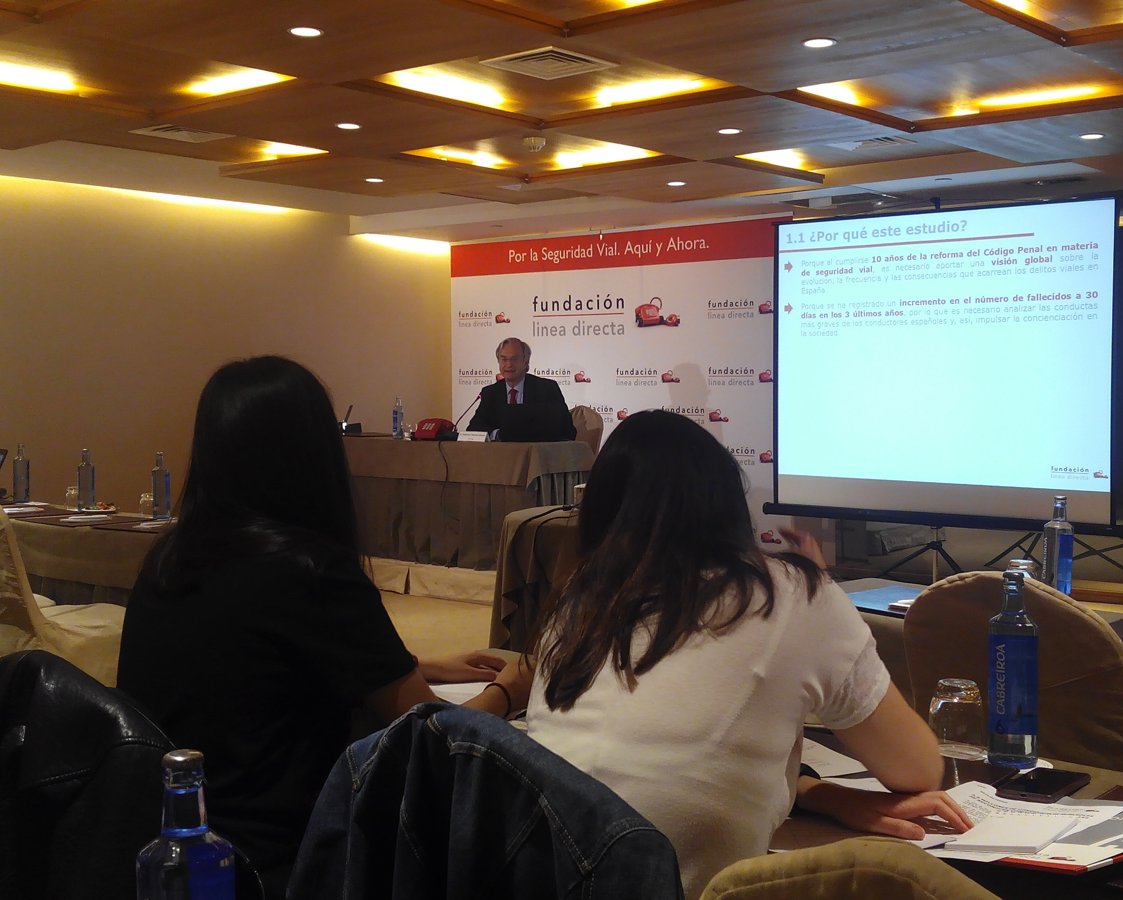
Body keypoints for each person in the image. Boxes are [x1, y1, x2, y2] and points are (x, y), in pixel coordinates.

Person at [117, 356, 532, 899]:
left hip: (170, 852)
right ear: (313, 453)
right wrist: (508, 692)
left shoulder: (168, 560)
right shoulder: (309, 570)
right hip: (283, 863)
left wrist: (419, 664)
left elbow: (253, 665)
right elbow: (429, 736)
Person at [525, 410, 970, 899]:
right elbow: (918, 769)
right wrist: (818, 587)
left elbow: (659, 763)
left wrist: (816, 793)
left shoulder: (578, 603)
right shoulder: (794, 594)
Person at [466, 337, 576, 440]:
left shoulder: (547, 389)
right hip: (499, 454)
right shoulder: (490, 392)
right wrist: (498, 435)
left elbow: (567, 431)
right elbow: (473, 430)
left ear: (525, 362)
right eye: (503, 359)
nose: (508, 364)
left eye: (514, 359)